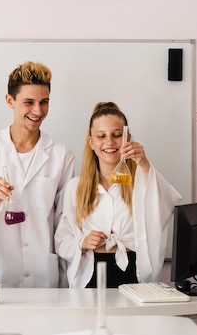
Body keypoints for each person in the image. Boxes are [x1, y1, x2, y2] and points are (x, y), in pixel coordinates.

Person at [0, 61, 75, 288]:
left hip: (44, 274)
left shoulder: (61, 154)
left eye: (44, 102)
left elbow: (65, 220)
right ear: (10, 101)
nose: (38, 111)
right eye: (29, 102)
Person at [54, 102, 182, 288]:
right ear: (91, 142)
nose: (109, 142)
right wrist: (82, 242)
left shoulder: (142, 179)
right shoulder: (76, 187)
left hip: (134, 272)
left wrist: (144, 164)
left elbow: (167, 205)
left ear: (127, 138)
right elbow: (62, 242)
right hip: (91, 274)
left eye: (117, 135)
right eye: (101, 136)